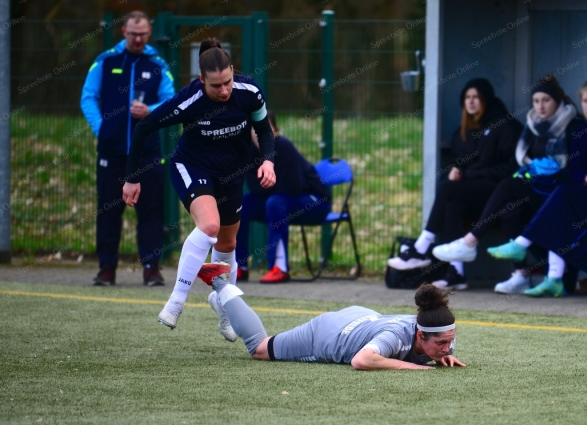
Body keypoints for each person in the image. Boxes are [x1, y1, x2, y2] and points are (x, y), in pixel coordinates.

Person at [121, 38, 276, 342]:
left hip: (231, 174)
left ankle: (224, 306)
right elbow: (143, 128)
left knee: (228, 245)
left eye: (228, 81)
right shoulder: (188, 100)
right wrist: (131, 178)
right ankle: (177, 301)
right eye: (216, 85)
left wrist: (268, 161)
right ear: (201, 80)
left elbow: (264, 130)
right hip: (192, 167)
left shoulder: (250, 93)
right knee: (210, 226)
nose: (224, 90)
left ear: (234, 71)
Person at [487, 78, 587, 297]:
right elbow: (575, 170)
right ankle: (553, 278)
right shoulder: (582, 132)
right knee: (560, 201)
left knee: (562, 199)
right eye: (585, 101)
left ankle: (526, 245)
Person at [430, 74, 584, 294]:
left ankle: (469, 241)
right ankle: (520, 275)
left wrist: (542, 170)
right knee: (511, 209)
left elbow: (572, 167)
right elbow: (526, 162)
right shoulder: (533, 126)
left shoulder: (572, 126)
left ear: (558, 102)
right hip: (541, 189)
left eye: (546, 100)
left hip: (561, 192)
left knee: (508, 185)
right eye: (536, 101)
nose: (540, 106)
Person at [387, 78, 523, 290]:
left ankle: (421, 247)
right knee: (452, 203)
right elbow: (464, 162)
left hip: (499, 193)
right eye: (467, 97)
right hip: (477, 197)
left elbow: (509, 169)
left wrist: (468, 172)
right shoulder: (462, 133)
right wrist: (458, 170)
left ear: (486, 99)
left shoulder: (503, 126)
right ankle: (456, 273)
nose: (471, 102)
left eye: (476, 97)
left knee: (447, 189)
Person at [198, 262, 465, 369]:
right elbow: (361, 361)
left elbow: (438, 342)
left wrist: (442, 352)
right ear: (420, 334)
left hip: (362, 317)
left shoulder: (433, 327)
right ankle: (219, 282)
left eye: (449, 341)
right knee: (259, 348)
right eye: (441, 343)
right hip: (328, 333)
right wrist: (417, 367)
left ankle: (225, 304)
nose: (447, 347)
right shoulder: (396, 337)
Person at [80, 11, 175, 287]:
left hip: (146, 152)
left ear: (149, 33)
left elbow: (171, 101)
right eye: (133, 33)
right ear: (124, 31)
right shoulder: (106, 61)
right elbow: (88, 97)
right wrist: (102, 128)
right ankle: (107, 268)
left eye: (143, 34)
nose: (138, 38)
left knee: (151, 210)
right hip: (112, 152)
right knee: (109, 210)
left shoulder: (157, 64)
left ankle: (151, 268)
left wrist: (150, 111)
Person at [235, 112, 331, 283]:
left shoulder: (285, 148)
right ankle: (239, 266)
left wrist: (269, 185)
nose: (260, 134)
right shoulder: (249, 152)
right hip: (278, 201)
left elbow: (294, 187)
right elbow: (255, 188)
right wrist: (271, 186)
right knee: (242, 204)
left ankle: (279, 267)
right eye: (255, 129)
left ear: (276, 131)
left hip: (315, 202)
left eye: (265, 129)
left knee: (275, 203)